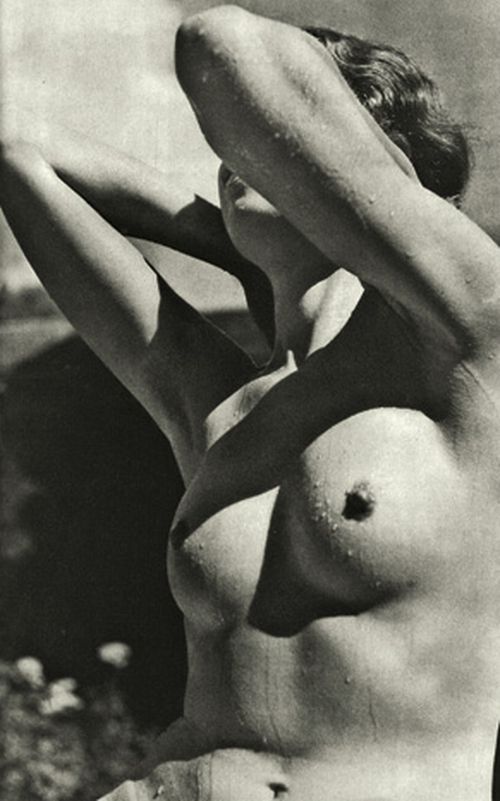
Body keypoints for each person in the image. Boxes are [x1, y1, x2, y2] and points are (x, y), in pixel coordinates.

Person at [1, 6, 499, 799]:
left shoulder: (473, 343)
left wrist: (332, 214)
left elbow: (220, 43)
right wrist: (229, 247)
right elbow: (20, 158)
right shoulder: (221, 408)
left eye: (272, 139)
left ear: (377, 176)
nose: (238, 155)